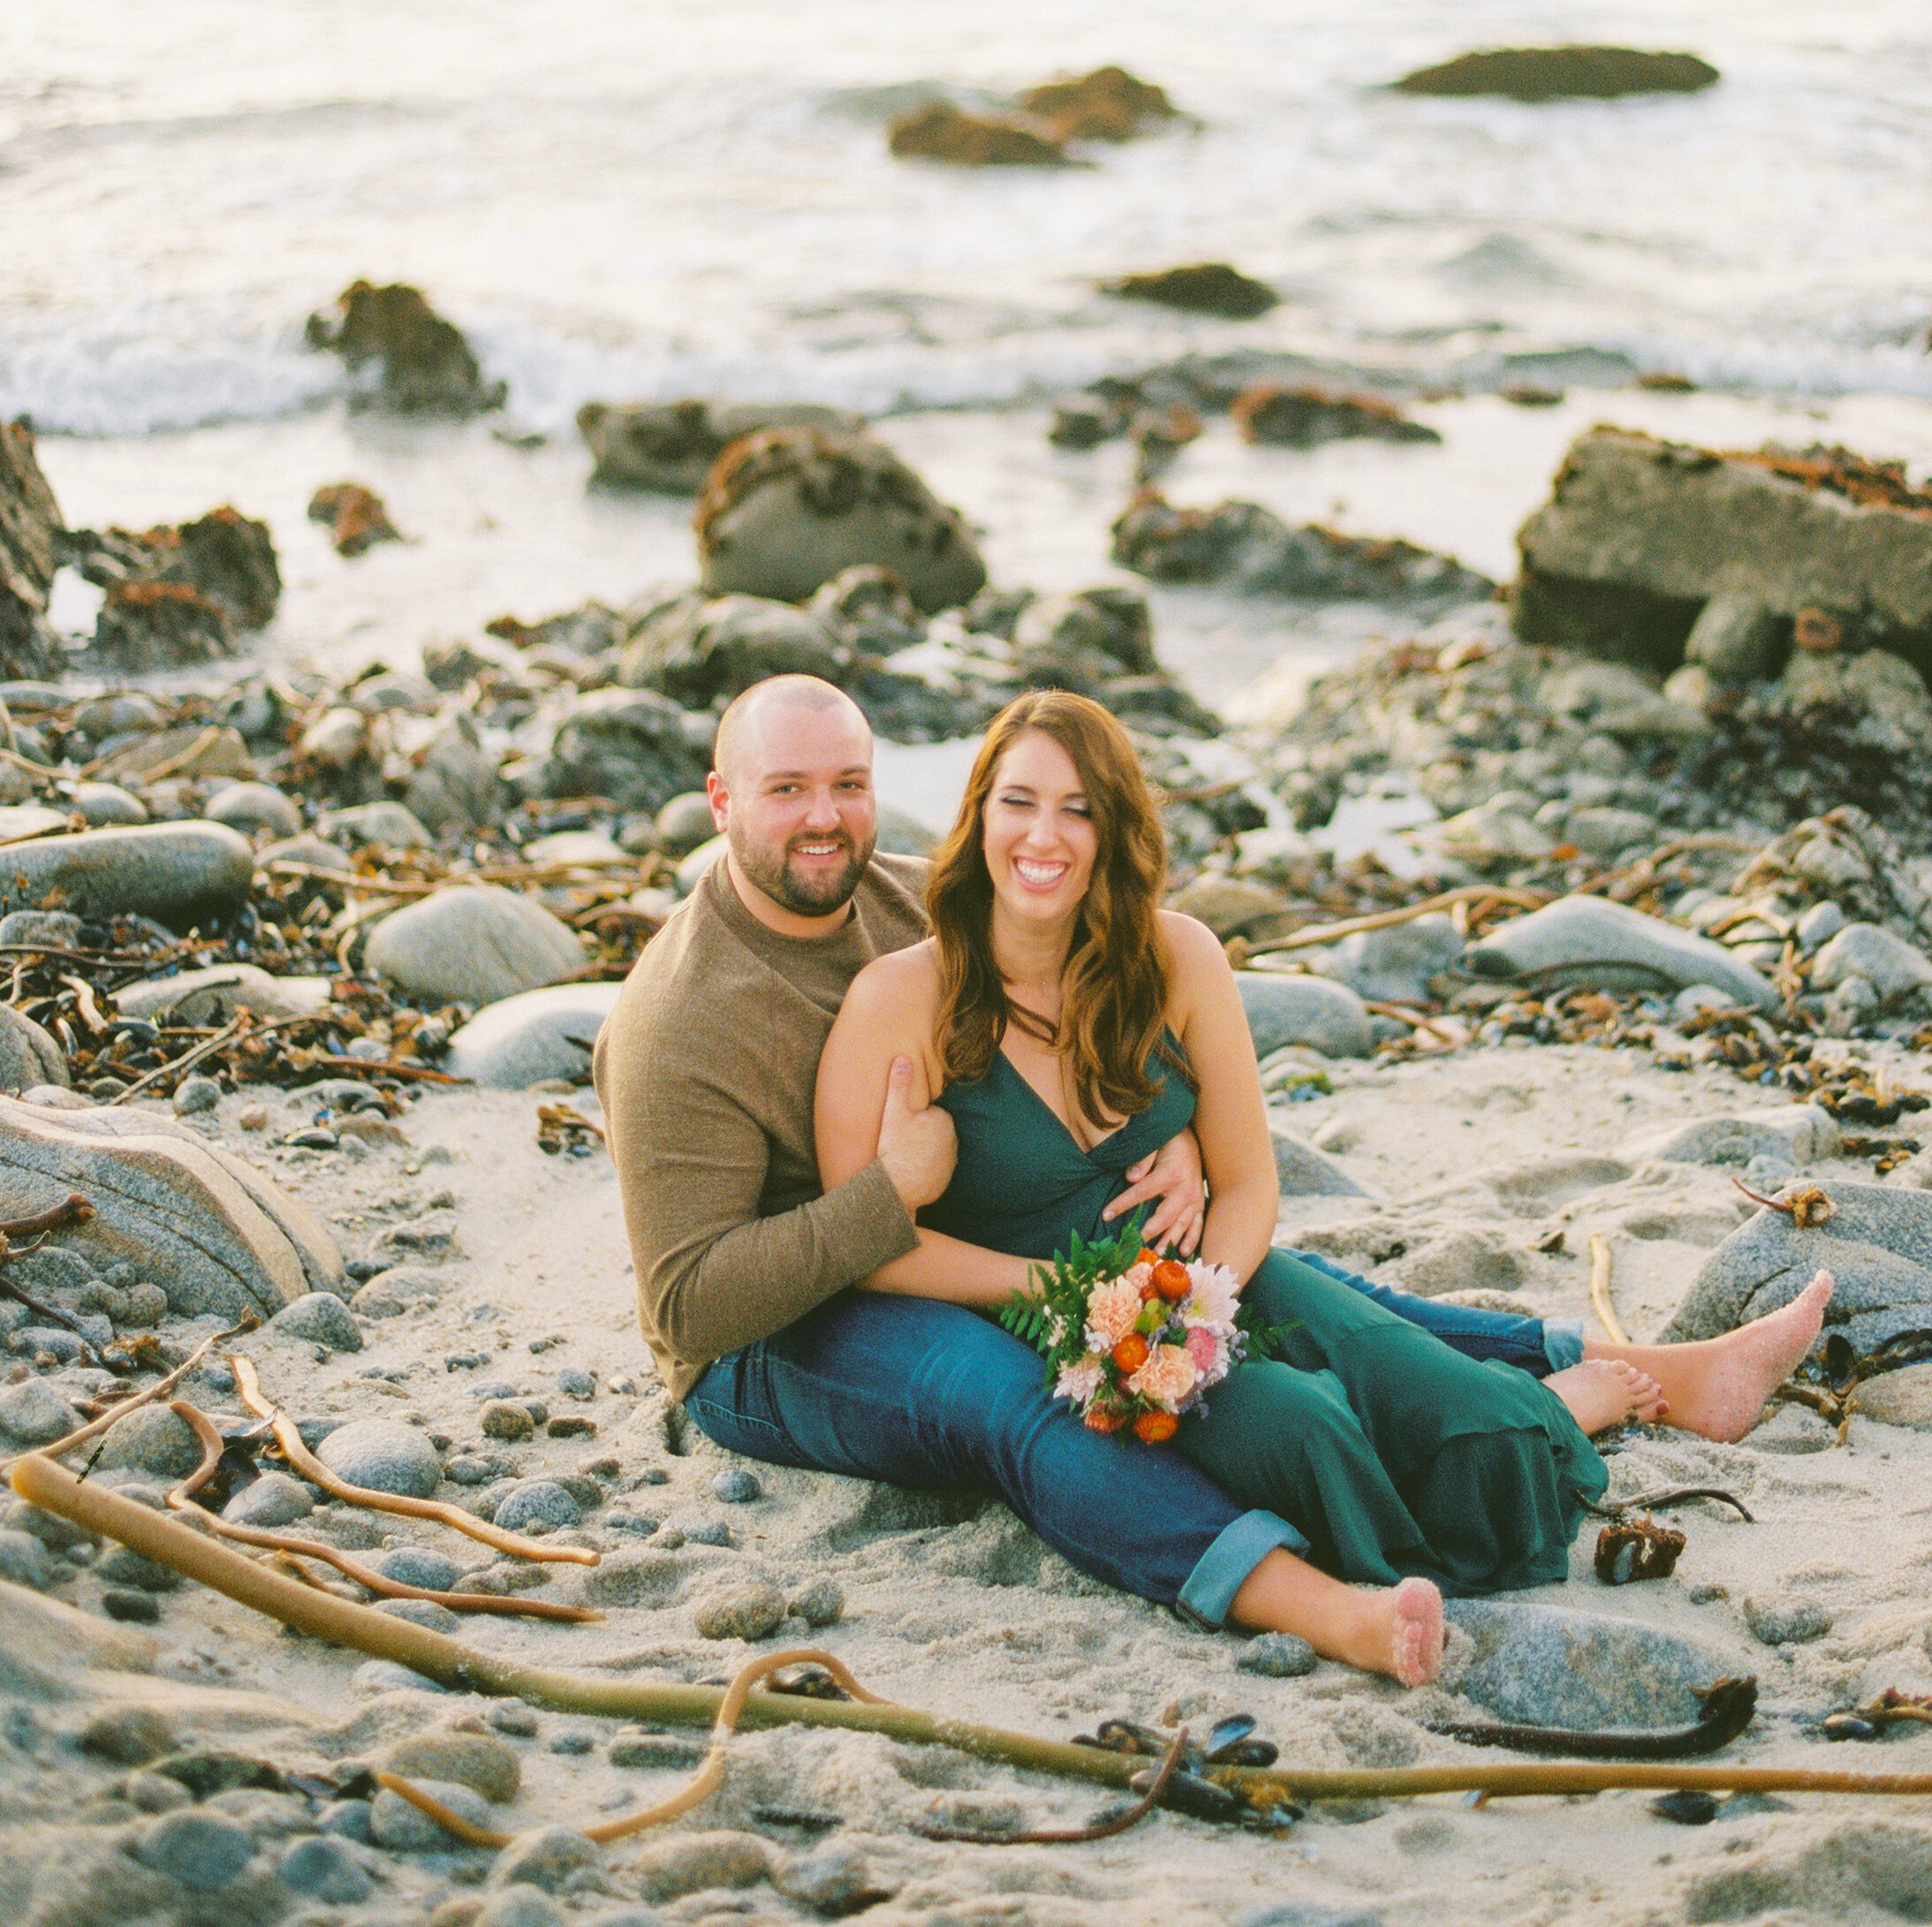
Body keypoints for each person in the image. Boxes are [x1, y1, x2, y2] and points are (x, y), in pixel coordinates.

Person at [814, 688, 1833, 1658]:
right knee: (1303, 1430)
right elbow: (868, 1249)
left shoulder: (1178, 959)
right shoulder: (901, 998)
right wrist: (1078, 1302)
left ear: (1115, 832)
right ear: (976, 816)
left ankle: (1583, 1401)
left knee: (1461, 1415)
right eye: (1019, 803)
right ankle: (1543, 1435)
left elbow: (1251, 1182)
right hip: (1051, 1330)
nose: (1044, 837)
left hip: (1210, 1280)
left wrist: (1195, 1310)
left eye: (1078, 810)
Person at [597, 672, 1496, 1680]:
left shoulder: (902, 898)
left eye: (848, 784)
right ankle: (1314, 1605)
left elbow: (1065, 1022)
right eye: (784, 790)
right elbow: (685, 1311)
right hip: (771, 1344)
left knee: (1268, 1284)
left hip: (947, 1252)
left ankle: (1549, 1369)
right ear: (720, 803)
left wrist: (1175, 1135)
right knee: (1013, 1394)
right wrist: (890, 1195)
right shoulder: (675, 1023)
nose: (824, 818)